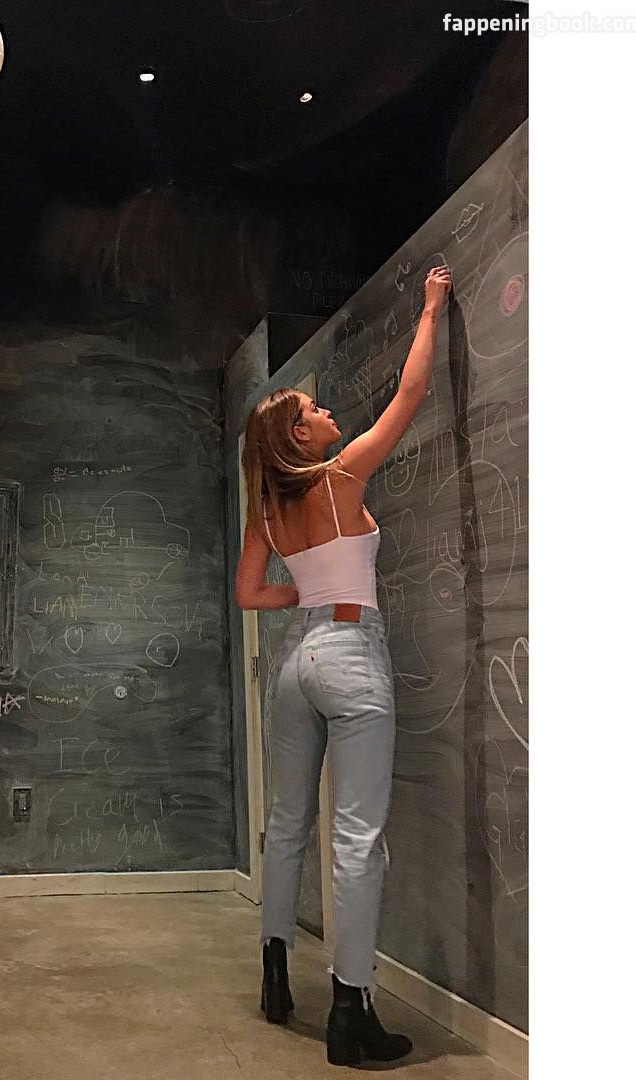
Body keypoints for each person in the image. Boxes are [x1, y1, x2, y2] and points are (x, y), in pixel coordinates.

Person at [236, 264, 452, 1067]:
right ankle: (350, 1013)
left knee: (289, 822)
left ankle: (275, 976)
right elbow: (410, 393)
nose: (327, 414)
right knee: (358, 837)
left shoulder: (267, 511)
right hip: (353, 653)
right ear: (299, 438)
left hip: (298, 662)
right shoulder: (341, 477)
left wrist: (301, 597)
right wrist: (430, 308)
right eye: (314, 411)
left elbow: (248, 594)